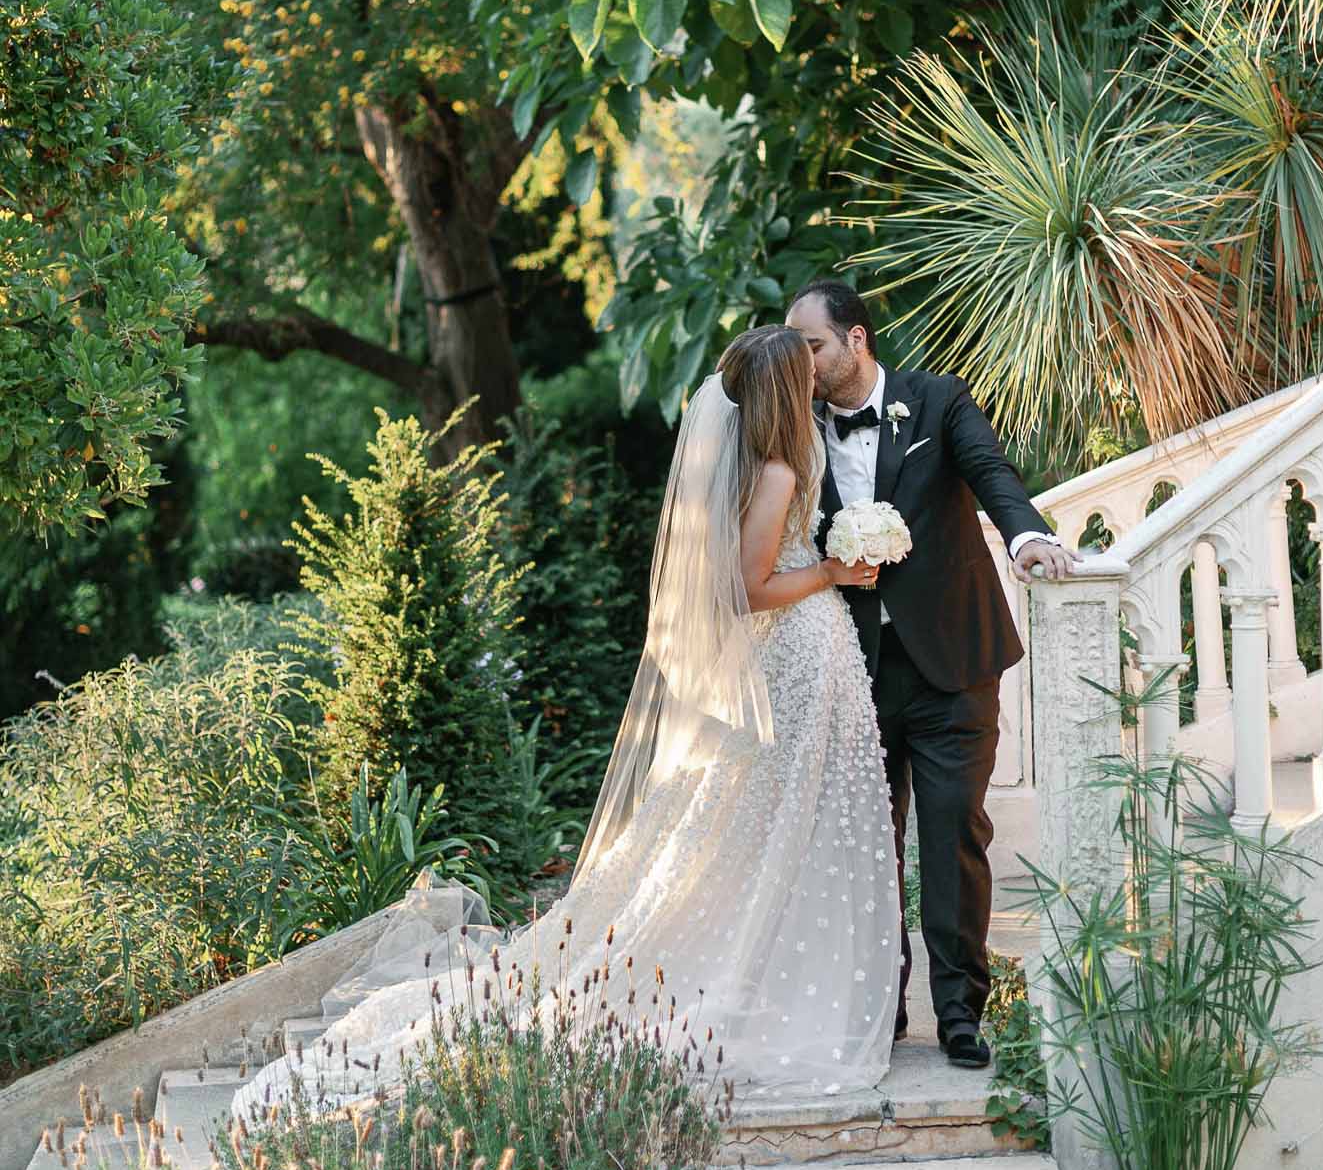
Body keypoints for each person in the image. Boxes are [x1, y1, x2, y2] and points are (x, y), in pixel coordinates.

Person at [233, 325, 901, 1120]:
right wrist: (830, 570)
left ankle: (781, 971)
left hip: (800, 659)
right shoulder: (779, 472)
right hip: (790, 653)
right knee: (772, 829)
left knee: (774, 832)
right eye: (803, 373)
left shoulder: (759, 467)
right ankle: (759, 983)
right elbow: (742, 587)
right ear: (785, 393)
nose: (815, 380)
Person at [785, 279, 1077, 1070]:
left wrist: (1025, 541)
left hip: (952, 664)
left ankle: (959, 1016)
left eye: (810, 344)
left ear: (855, 340)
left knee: (952, 837)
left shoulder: (937, 399)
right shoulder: (793, 430)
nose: (799, 360)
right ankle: (879, 1007)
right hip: (852, 673)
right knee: (866, 850)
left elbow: (992, 474)